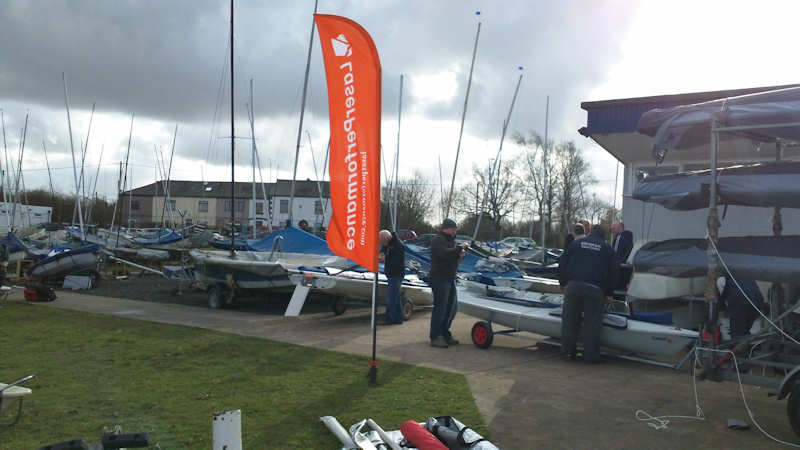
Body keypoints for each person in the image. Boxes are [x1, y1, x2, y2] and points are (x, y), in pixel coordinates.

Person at [558, 224, 619, 363]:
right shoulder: (607, 248)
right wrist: (610, 292)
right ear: (603, 236)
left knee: (569, 321)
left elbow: (562, 263)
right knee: (592, 324)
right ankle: (590, 356)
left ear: (590, 232)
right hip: (595, 289)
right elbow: (615, 272)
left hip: (573, 286)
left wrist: (562, 283)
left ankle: (568, 352)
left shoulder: (576, 243)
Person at [428, 218, 467, 348]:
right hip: (439, 279)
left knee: (452, 308)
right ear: (446, 228)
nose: (455, 231)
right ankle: (435, 336)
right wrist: (459, 249)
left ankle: (444, 333)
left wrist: (460, 256)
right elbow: (444, 254)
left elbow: (452, 258)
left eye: (455, 229)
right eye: (453, 229)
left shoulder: (450, 241)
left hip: (449, 278)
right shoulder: (438, 240)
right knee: (440, 308)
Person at [718, 273, 765, 339]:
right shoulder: (744, 274)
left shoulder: (722, 279)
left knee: (737, 334)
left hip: (740, 303)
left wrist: (720, 312)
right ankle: (745, 346)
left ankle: (737, 347)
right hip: (757, 304)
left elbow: (721, 299)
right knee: (744, 331)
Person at [379, 229, 405, 325]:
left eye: (383, 242)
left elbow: (397, 260)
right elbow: (384, 248)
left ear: (387, 239)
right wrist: (382, 253)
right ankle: (399, 318)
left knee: (391, 298)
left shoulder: (398, 245)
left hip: (396, 274)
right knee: (395, 297)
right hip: (392, 274)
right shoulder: (389, 242)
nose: (382, 243)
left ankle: (389, 319)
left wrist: (386, 256)